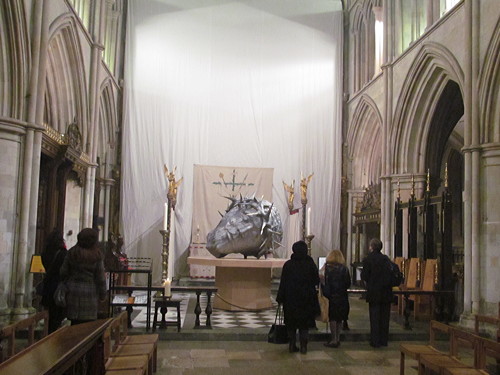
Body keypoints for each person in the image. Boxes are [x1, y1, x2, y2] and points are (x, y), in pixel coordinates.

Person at [276, 240, 320, 354]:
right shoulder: (310, 264)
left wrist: (280, 298)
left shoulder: (288, 265)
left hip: (291, 299)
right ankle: (304, 346)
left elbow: (283, 283)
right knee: (304, 325)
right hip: (306, 299)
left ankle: (291, 345)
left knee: (291, 324)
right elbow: (316, 280)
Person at [60, 228, 107, 325]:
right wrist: (103, 295)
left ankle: (76, 341)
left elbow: (63, 272)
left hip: (73, 291)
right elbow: (101, 278)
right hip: (90, 293)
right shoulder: (96, 255)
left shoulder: (72, 252)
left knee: (74, 323)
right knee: (88, 325)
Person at [361, 238, 393, 348]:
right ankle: (384, 340)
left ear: (371, 247)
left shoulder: (368, 259)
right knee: (385, 317)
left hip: (374, 292)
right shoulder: (386, 259)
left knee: (374, 317)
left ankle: (375, 341)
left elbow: (364, 276)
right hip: (386, 292)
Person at [321, 249, 351, 348]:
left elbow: (325, 283)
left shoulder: (327, 268)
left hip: (332, 296)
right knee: (340, 318)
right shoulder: (345, 269)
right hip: (342, 296)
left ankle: (333, 339)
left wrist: (325, 292)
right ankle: (337, 338)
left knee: (333, 318)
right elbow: (348, 284)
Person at [40, 229, 67, 333]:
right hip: (58, 287)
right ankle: (53, 337)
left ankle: (49, 334)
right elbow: (64, 270)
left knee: (50, 314)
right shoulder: (63, 254)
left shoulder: (45, 253)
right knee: (57, 315)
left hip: (48, 286)